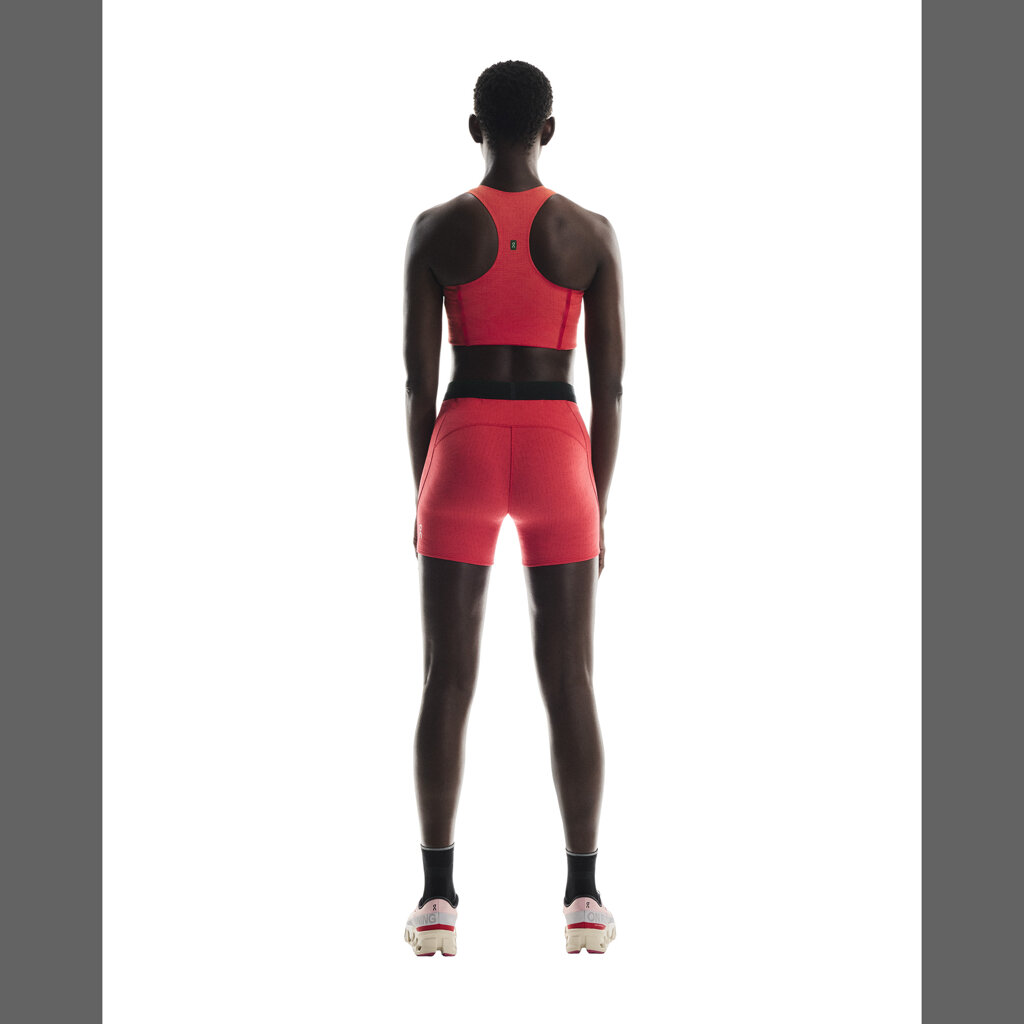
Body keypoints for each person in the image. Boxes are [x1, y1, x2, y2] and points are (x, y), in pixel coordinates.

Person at [402, 60, 624, 956]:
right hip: (557, 449)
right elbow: (612, 388)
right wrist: (597, 504)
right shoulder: (590, 234)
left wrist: (426, 488)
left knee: (445, 680)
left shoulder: (436, 229)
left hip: (461, 440)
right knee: (569, 679)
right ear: (549, 130)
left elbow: (417, 383)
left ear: (474, 128)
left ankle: (436, 902)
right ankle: (584, 900)